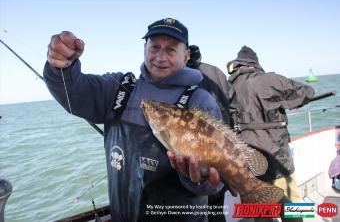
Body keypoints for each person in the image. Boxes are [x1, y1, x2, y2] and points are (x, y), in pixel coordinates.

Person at [43, 18, 224, 222]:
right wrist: (61, 67)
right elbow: (75, 93)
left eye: (171, 50)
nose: (160, 57)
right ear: (145, 48)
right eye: (154, 47)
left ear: (186, 55)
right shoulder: (119, 88)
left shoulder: (201, 101)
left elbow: (214, 180)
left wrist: (199, 180)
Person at [226, 46, 315, 222]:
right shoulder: (269, 79)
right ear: (256, 63)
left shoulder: (229, 88)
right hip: (278, 160)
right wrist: (287, 102)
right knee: (292, 210)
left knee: (261, 215)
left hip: (249, 165)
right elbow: (308, 92)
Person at [187, 45, 233, 222]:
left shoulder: (183, 77)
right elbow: (232, 100)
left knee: (201, 206)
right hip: (223, 147)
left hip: (200, 153)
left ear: (184, 56)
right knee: (217, 206)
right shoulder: (216, 72)